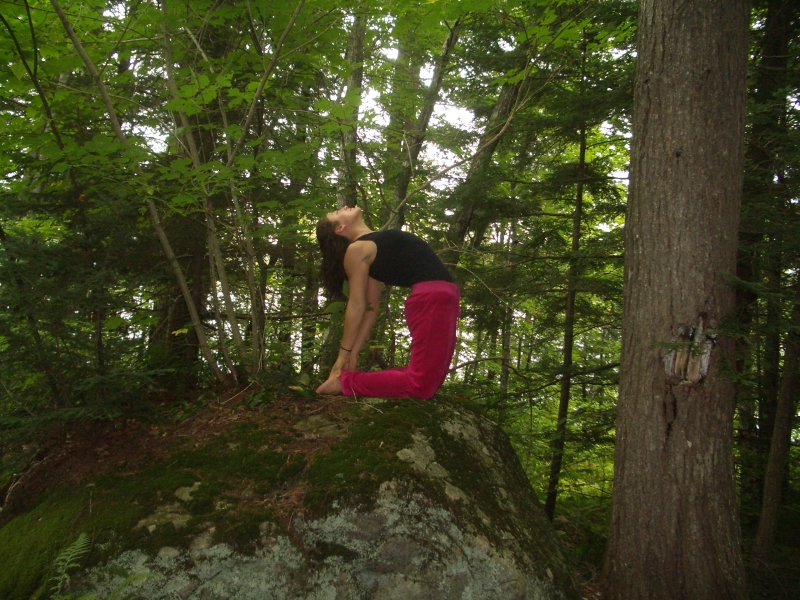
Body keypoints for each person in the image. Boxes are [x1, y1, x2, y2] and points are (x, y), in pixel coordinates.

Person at [315, 205, 460, 399]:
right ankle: (343, 383)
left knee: (431, 381)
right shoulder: (356, 250)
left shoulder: (370, 243)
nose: (342, 207)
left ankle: (347, 380)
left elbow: (372, 309)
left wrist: (354, 353)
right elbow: (358, 305)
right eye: (335, 212)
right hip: (431, 300)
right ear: (339, 228)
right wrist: (343, 355)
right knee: (421, 387)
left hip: (442, 299)